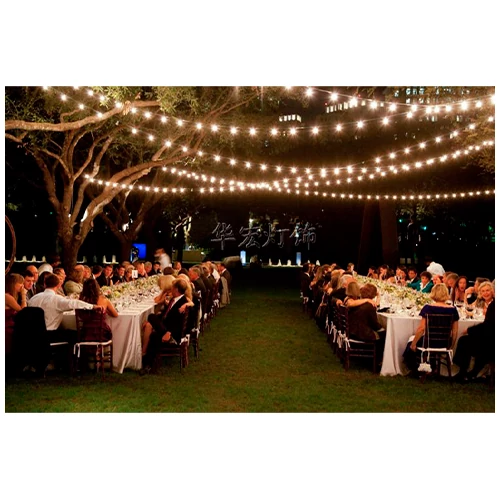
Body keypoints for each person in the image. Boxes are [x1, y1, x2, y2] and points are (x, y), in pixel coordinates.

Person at [28, 273, 105, 355]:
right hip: (48, 335)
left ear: (44, 284)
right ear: (58, 285)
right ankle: (71, 361)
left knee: (67, 333)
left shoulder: (33, 298)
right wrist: (93, 306)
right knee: (76, 335)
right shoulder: (56, 299)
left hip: (31, 335)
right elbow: (74, 303)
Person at [404, 283, 459, 374]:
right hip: (444, 343)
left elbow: (421, 328)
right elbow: (455, 331)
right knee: (413, 342)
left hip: (429, 342)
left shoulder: (428, 308)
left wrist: (413, 344)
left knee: (410, 345)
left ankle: (416, 369)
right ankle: (431, 366)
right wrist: (451, 345)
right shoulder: (453, 310)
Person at [140, 278, 190, 375]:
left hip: (173, 334)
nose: (171, 289)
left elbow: (179, 323)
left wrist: (169, 333)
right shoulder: (174, 300)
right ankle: (146, 361)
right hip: (166, 328)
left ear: (176, 289)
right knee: (151, 318)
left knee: (154, 335)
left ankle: (147, 364)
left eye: (172, 287)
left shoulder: (182, 303)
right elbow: (165, 315)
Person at [454, 281, 495, 382]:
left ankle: (466, 372)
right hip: (488, 335)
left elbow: (488, 325)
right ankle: (468, 372)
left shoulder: (494, 305)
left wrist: (469, 330)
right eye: (483, 291)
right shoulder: (483, 302)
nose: (485, 293)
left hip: (491, 341)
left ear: (493, 291)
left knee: (464, 341)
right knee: (465, 340)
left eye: (488, 290)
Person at [5, 274, 28, 356]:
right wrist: (23, 295)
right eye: (20, 283)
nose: (22, 286)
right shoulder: (7, 296)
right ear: (13, 284)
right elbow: (23, 312)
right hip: (7, 330)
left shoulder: (10, 296)